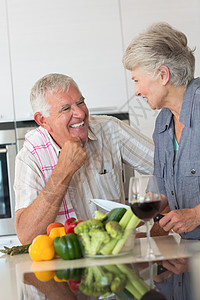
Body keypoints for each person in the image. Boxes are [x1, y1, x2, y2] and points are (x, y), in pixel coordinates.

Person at [14, 73, 154, 244]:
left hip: (118, 254)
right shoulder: (29, 157)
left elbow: (168, 166)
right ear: (43, 120)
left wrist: (159, 216)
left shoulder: (110, 130)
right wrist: (63, 171)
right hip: (66, 263)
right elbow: (26, 236)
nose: (80, 113)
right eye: (66, 108)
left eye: (80, 102)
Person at [122, 22, 200, 239]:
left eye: (137, 80)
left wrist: (197, 214)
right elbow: (165, 192)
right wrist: (143, 207)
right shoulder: (163, 124)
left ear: (163, 75)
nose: (136, 92)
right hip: (189, 251)